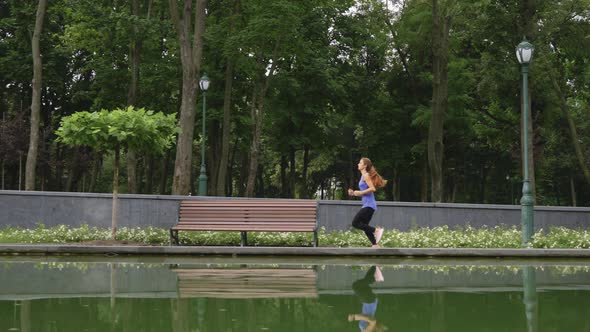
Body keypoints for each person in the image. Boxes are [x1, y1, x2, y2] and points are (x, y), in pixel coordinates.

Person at [348, 157, 387, 248]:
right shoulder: (363, 176)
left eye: (360, 163)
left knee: (355, 223)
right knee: (365, 226)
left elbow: (372, 189)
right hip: (368, 205)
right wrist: (353, 193)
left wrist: (360, 192)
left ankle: (376, 230)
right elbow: (365, 191)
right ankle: (375, 245)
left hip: (369, 205)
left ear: (365, 165)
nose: (358, 164)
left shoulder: (366, 175)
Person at [348, 266, 386, 332]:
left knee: (361, 285)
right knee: (356, 286)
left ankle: (374, 268)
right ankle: (375, 278)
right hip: (369, 302)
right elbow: (373, 321)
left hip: (369, 302)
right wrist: (355, 317)